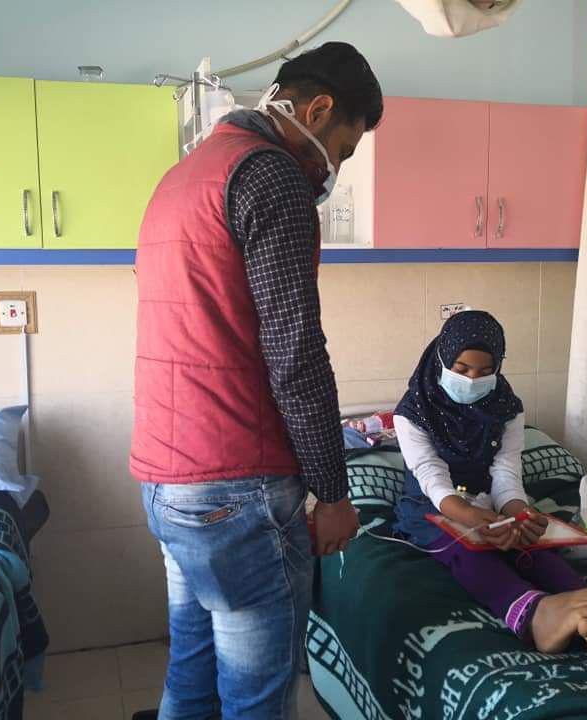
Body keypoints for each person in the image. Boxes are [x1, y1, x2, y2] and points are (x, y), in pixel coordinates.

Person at [129, 43, 383, 719]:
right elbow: (295, 353)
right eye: (344, 149)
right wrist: (334, 493)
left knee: (192, 673)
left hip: (166, 478)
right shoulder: (271, 177)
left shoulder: (183, 176)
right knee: (257, 695)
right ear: (317, 110)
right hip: (236, 486)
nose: (334, 169)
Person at [392, 310, 587, 655]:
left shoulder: (506, 407)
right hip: (432, 508)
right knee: (466, 552)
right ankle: (536, 614)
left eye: (485, 372)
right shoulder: (414, 411)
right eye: (462, 369)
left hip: (489, 503)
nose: (472, 380)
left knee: (529, 544)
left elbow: (506, 472)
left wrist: (519, 513)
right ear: (443, 358)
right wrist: (469, 517)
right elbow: (431, 475)